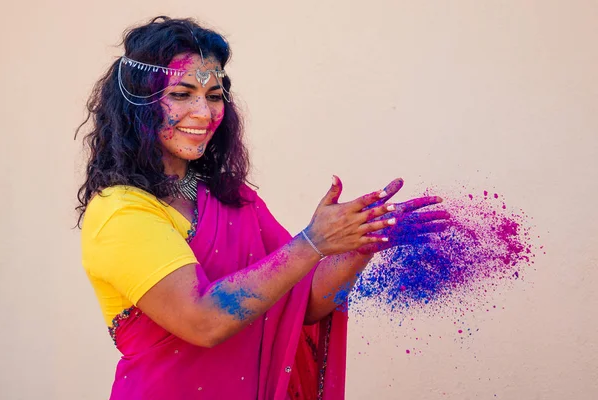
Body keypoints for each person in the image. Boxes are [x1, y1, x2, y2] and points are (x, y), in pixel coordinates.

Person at [76, 16, 449, 400]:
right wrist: (312, 242)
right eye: (183, 94)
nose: (204, 113)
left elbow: (302, 302)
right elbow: (203, 321)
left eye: (215, 96)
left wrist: (361, 242)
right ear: (137, 103)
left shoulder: (230, 198)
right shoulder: (119, 212)